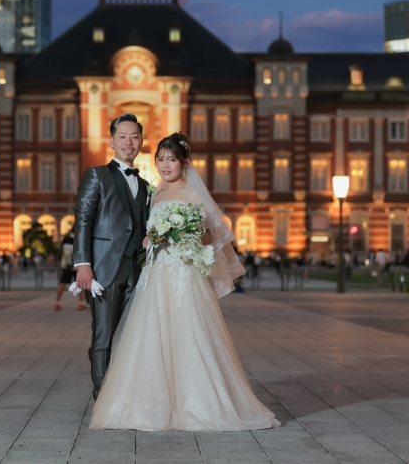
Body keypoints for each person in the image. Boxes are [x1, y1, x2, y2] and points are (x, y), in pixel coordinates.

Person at [90, 132, 279, 432]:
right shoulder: (155, 193)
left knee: (188, 333)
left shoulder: (193, 194)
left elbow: (209, 235)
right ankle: (150, 403)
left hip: (182, 272)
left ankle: (196, 402)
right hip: (155, 273)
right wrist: (150, 237)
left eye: (172, 159)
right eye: (161, 159)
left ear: (185, 163)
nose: (165, 165)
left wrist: (179, 234)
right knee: (151, 334)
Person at [73, 113, 150, 402]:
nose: (129, 142)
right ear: (111, 141)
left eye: (134, 137)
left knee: (129, 334)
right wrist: (83, 264)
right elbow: (83, 219)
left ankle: (125, 390)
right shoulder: (97, 175)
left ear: (141, 141)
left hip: (137, 268)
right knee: (104, 333)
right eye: (123, 136)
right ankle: (103, 396)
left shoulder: (143, 184)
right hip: (103, 268)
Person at [54, 232, 86, 311]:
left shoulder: (66, 239)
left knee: (62, 283)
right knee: (79, 284)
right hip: (76, 266)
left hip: (66, 266)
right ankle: (81, 303)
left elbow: (62, 252)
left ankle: (57, 303)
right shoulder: (79, 239)